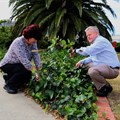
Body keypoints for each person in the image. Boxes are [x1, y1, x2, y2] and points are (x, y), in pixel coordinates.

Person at [70, 26, 120, 97]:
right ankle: (103, 85)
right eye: (87, 35)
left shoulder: (101, 41)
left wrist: (76, 50)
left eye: (90, 34)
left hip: (112, 69)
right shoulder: (96, 43)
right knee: (84, 65)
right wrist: (81, 61)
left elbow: (89, 50)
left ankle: (104, 88)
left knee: (92, 71)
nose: (88, 37)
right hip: (105, 67)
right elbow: (92, 57)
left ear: (96, 33)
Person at [0, 24, 42, 94]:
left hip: (19, 65)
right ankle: (9, 85)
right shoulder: (18, 42)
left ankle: (9, 78)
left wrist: (39, 68)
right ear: (29, 36)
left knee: (27, 74)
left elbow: (35, 55)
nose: (35, 41)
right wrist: (35, 72)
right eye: (35, 39)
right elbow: (25, 62)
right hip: (8, 64)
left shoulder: (34, 42)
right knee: (25, 71)